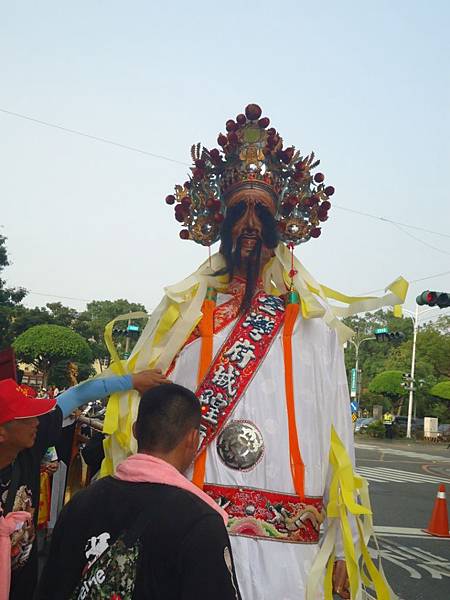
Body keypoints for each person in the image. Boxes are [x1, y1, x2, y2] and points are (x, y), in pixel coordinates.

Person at [102, 104, 404, 599]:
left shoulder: (314, 330)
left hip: (292, 554)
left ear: (279, 228)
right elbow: (147, 420)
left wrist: (345, 547)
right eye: (238, 211)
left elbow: (339, 445)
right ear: (220, 225)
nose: (248, 225)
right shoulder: (183, 323)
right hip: (192, 532)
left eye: (260, 213)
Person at [37, 383, 241, 600]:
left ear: (135, 430)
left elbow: (51, 588)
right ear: (193, 439)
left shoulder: (80, 504)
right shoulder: (200, 522)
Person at [0, 369, 168, 600]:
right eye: (27, 417)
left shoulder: (28, 450)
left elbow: (77, 396)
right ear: (2, 433)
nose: (37, 422)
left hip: (21, 587)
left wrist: (132, 381)